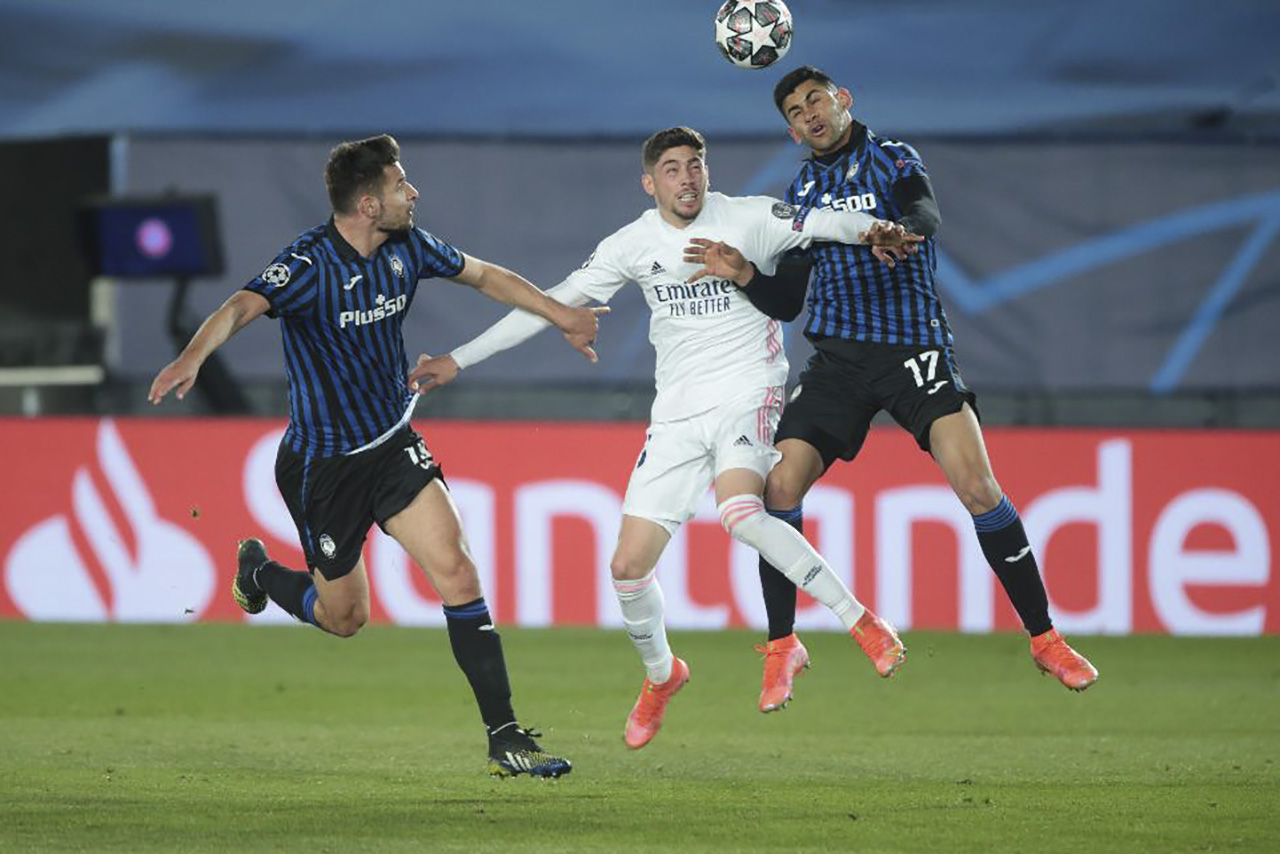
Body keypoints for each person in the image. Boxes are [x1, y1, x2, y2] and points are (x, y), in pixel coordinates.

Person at [407, 127, 921, 750]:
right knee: (627, 567)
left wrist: (876, 231)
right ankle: (662, 676)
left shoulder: (750, 218)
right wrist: (458, 361)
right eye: (672, 169)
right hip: (677, 413)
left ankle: (862, 622)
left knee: (739, 511)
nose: (687, 178)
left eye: (695, 165)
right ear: (650, 183)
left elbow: (824, 222)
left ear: (707, 171)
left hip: (748, 388)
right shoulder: (631, 244)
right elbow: (551, 303)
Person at [147, 134, 605, 778]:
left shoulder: (408, 247)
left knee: (459, 573)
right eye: (400, 185)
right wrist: (192, 356)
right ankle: (260, 575)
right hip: (323, 469)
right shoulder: (308, 265)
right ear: (367, 203)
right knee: (345, 617)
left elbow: (485, 276)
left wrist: (560, 314)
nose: (412, 193)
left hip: (393, 445)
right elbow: (242, 305)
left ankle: (506, 737)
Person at [685, 66, 1098, 701]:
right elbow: (789, 302)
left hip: (914, 349)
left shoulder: (893, 158)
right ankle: (782, 645)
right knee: (779, 485)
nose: (809, 114)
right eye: (795, 111)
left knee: (977, 485)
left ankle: (1045, 639)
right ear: (792, 131)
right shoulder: (801, 194)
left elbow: (925, 212)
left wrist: (903, 234)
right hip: (839, 361)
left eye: (815, 100)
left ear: (841, 100)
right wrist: (742, 273)